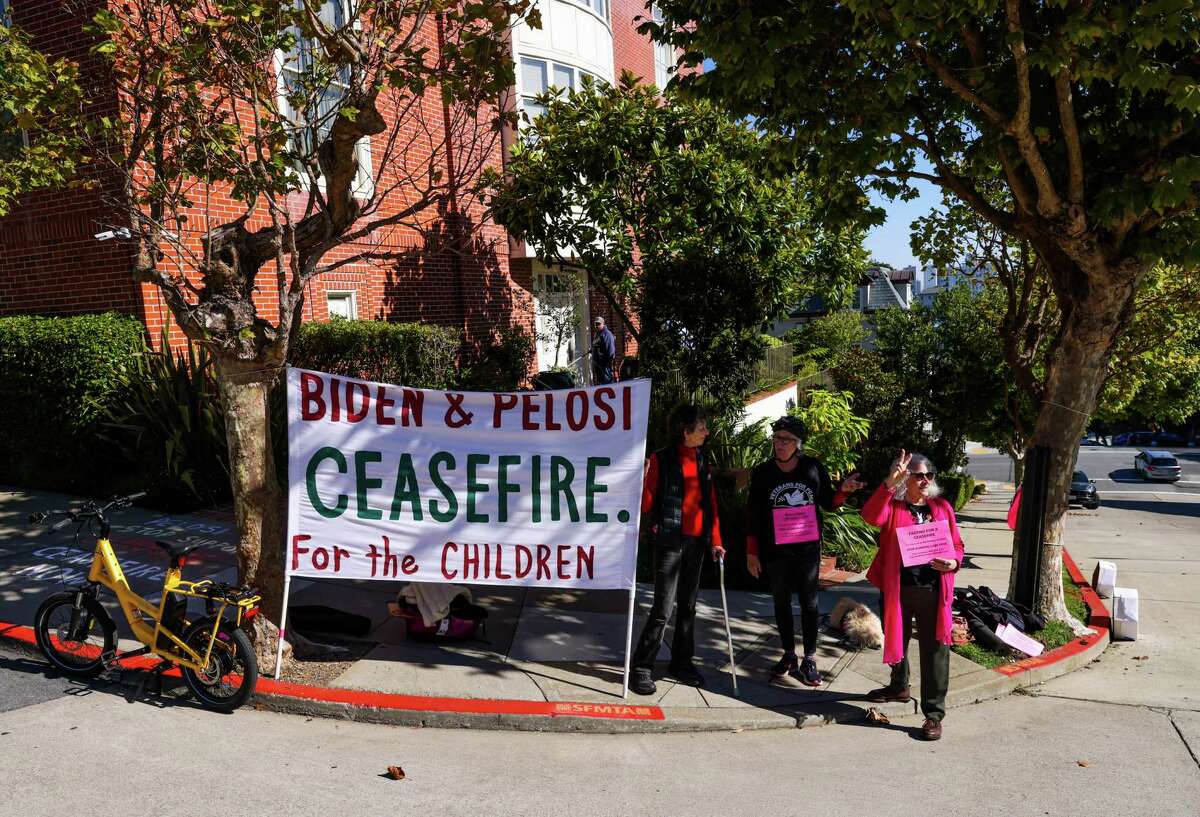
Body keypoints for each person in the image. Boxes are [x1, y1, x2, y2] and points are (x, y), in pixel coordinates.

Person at [745, 416, 864, 685]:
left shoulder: (812, 468)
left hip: (807, 550)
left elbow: (829, 504)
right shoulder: (764, 472)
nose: (779, 444)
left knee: (810, 605)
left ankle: (809, 657)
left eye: (785, 439)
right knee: (781, 603)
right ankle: (789, 654)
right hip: (775, 551)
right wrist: (751, 552)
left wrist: (843, 492)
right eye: (776, 438)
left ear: (798, 444)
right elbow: (752, 514)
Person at [861, 450, 965, 741]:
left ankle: (933, 714)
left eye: (928, 475)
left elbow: (957, 545)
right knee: (897, 639)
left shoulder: (942, 507)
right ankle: (899, 687)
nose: (924, 480)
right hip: (899, 588)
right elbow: (870, 516)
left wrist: (954, 563)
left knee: (935, 652)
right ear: (906, 478)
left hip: (933, 589)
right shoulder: (893, 507)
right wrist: (887, 483)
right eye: (918, 475)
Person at [630, 405, 724, 695]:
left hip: (696, 543)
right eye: (701, 428)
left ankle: (681, 663)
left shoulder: (702, 458)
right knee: (662, 609)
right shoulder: (661, 459)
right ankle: (642, 667)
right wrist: (644, 478)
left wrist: (717, 540)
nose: (707, 432)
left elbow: (710, 502)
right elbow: (644, 506)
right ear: (686, 432)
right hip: (669, 542)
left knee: (688, 607)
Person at [590, 316, 616, 385]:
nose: (596, 326)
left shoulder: (607, 334)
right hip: (597, 363)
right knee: (601, 383)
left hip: (604, 365)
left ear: (603, 324)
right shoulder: (597, 334)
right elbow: (597, 345)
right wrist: (592, 350)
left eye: (598, 324)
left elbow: (611, 351)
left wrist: (607, 363)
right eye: (595, 324)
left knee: (607, 383)